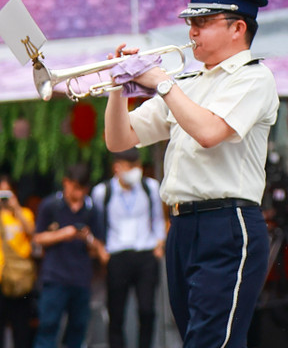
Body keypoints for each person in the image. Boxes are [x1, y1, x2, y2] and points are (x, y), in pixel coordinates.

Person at [103, 0, 278, 348]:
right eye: (191, 23)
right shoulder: (189, 83)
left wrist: (162, 83)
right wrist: (117, 89)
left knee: (210, 341)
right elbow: (120, 139)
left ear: (238, 28)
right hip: (182, 226)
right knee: (199, 339)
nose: (192, 31)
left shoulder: (254, 77)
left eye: (203, 22)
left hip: (227, 222)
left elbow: (210, 132)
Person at [91, 148, 166, 348]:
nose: (135, 170)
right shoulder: (102, 192)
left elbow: (158, 218)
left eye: (137, 165)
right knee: (116, 313)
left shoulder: (150, 187)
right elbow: (96, 225)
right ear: (117, 167)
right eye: (130, 166)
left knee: (147, 310)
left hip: (145, 254)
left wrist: (159, 244)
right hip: (117, 255)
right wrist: (101, 250)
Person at [33, 163, 107, 348]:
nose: (78, 193)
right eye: (75, 187)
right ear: (66, 182)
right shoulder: (51, 205)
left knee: (78, 331)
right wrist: (63, 234)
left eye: (83, 189)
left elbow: (101, 250)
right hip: (55, 277)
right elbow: (38, 238)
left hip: (81, 278)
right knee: (48, 328)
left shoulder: (92, 209)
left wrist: (88, 238)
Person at [0, 175, 35, 348]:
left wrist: (16, 208)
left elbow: (32, 232)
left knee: (21, 329)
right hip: (1, 277)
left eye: (7, 193)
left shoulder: (24, 213)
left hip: (21, 278)